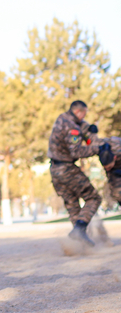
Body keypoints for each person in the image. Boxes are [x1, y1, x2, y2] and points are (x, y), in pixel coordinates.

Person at [47, 101, 103, 246]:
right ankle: (79, 229)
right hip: (67, 169)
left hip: (54, 170)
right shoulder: (72, 128)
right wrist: (96, 148)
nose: (85, 116)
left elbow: (81, 125)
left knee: (72, 204)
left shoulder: (62, 118)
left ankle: (79, 245)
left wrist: (88, 129)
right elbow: (76, 151)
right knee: (93, 198)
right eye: (84, 113)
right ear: (79, 112)